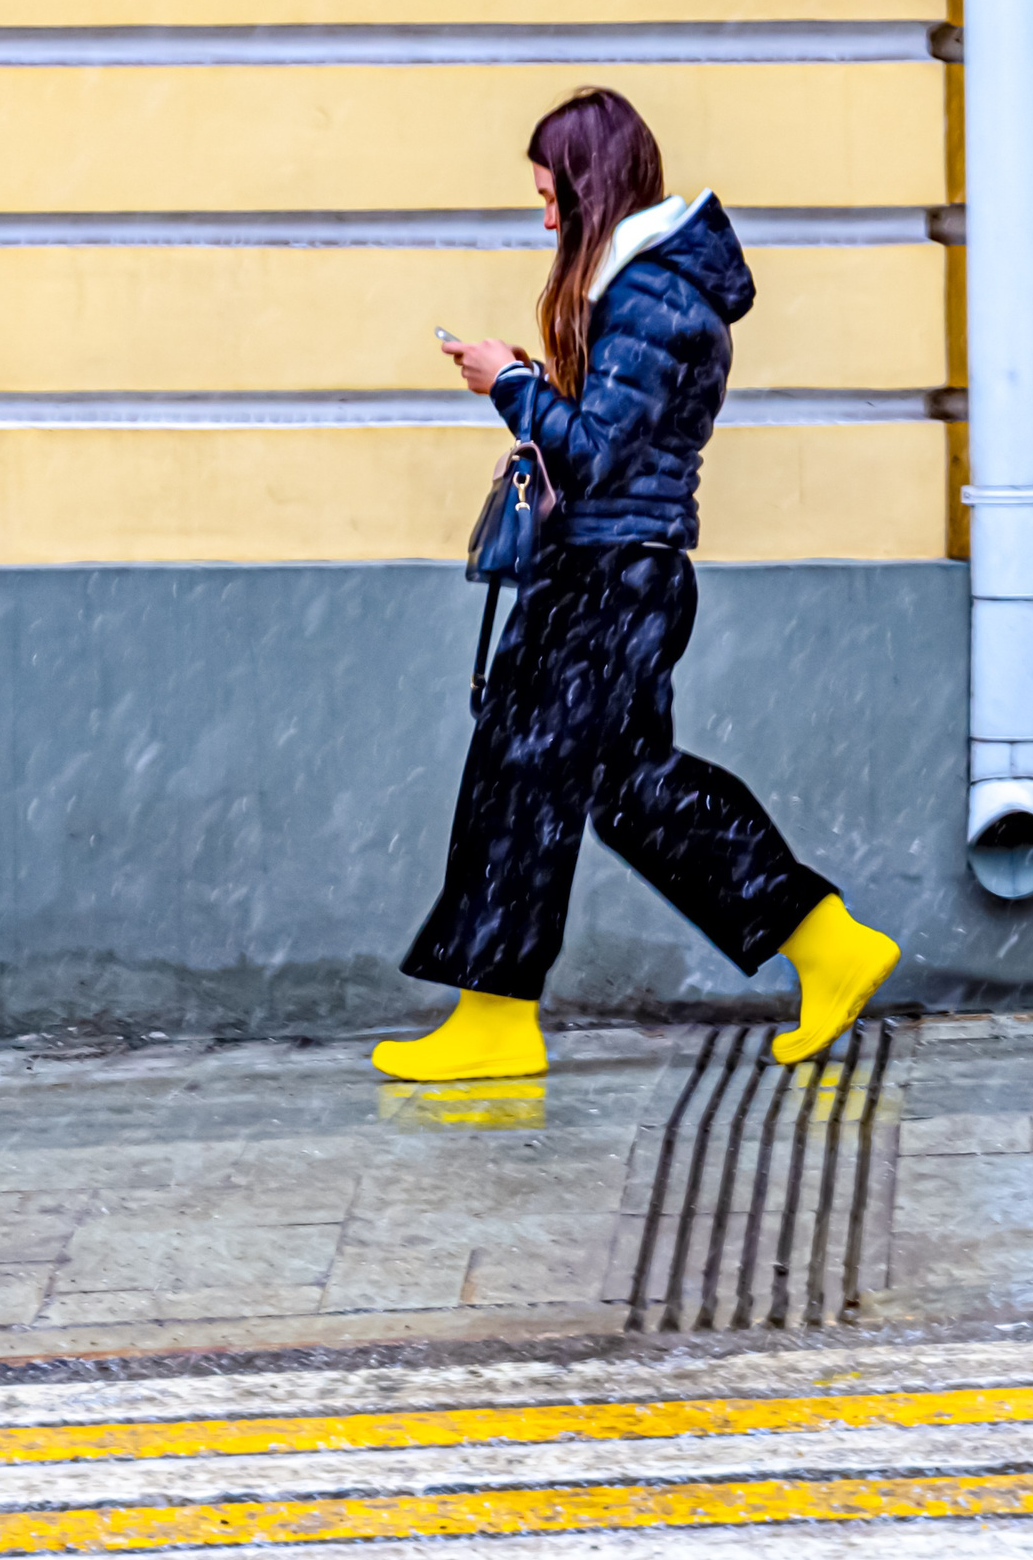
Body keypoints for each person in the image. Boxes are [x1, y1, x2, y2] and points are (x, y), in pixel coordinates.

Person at [374, 86, 900, 1082]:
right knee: (594, 785)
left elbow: (602, 452)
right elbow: (613, 435)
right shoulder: (644, 290)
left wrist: (509, 384)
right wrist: (540, 387)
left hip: (606, 580)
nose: (544, 220)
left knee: (545, 783)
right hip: (615, 573)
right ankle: (818, 943)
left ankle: (503, 1024)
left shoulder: (650, 294)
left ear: (591, 188)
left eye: (552, 198)